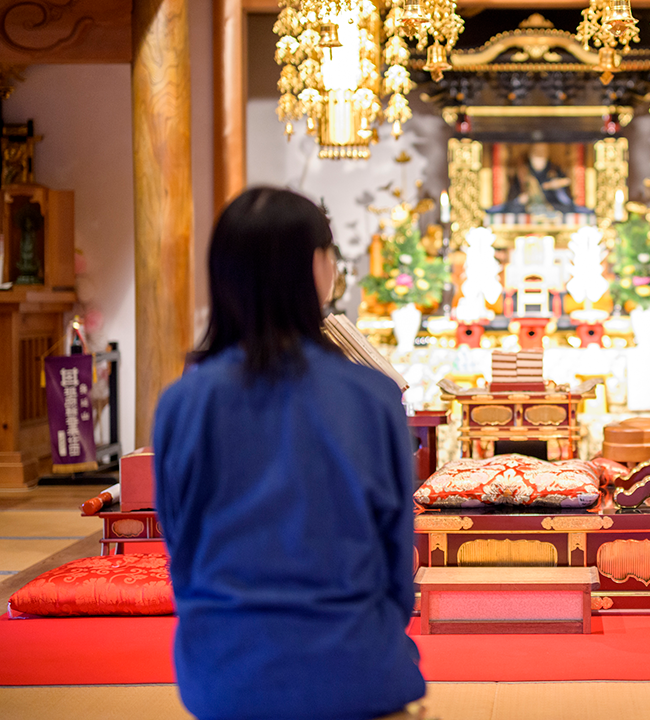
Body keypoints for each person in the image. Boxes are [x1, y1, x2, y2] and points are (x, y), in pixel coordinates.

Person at [153, 187, 426, 719]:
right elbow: (397, 560)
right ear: (320, 268)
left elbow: (180, 551)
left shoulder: (183, 403)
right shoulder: (372, 397)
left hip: (223, 674)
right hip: (356, 668)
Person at [487, 143, 593, 217]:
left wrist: (557, 186)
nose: (539, 155)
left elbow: (566, 198)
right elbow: (512, 197)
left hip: (553, 206)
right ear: (530, 155)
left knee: (567, 210)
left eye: (542, 152)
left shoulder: (554, 170)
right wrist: (519, 200)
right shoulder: (522, 171)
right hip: (528, 208)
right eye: (536, 152)